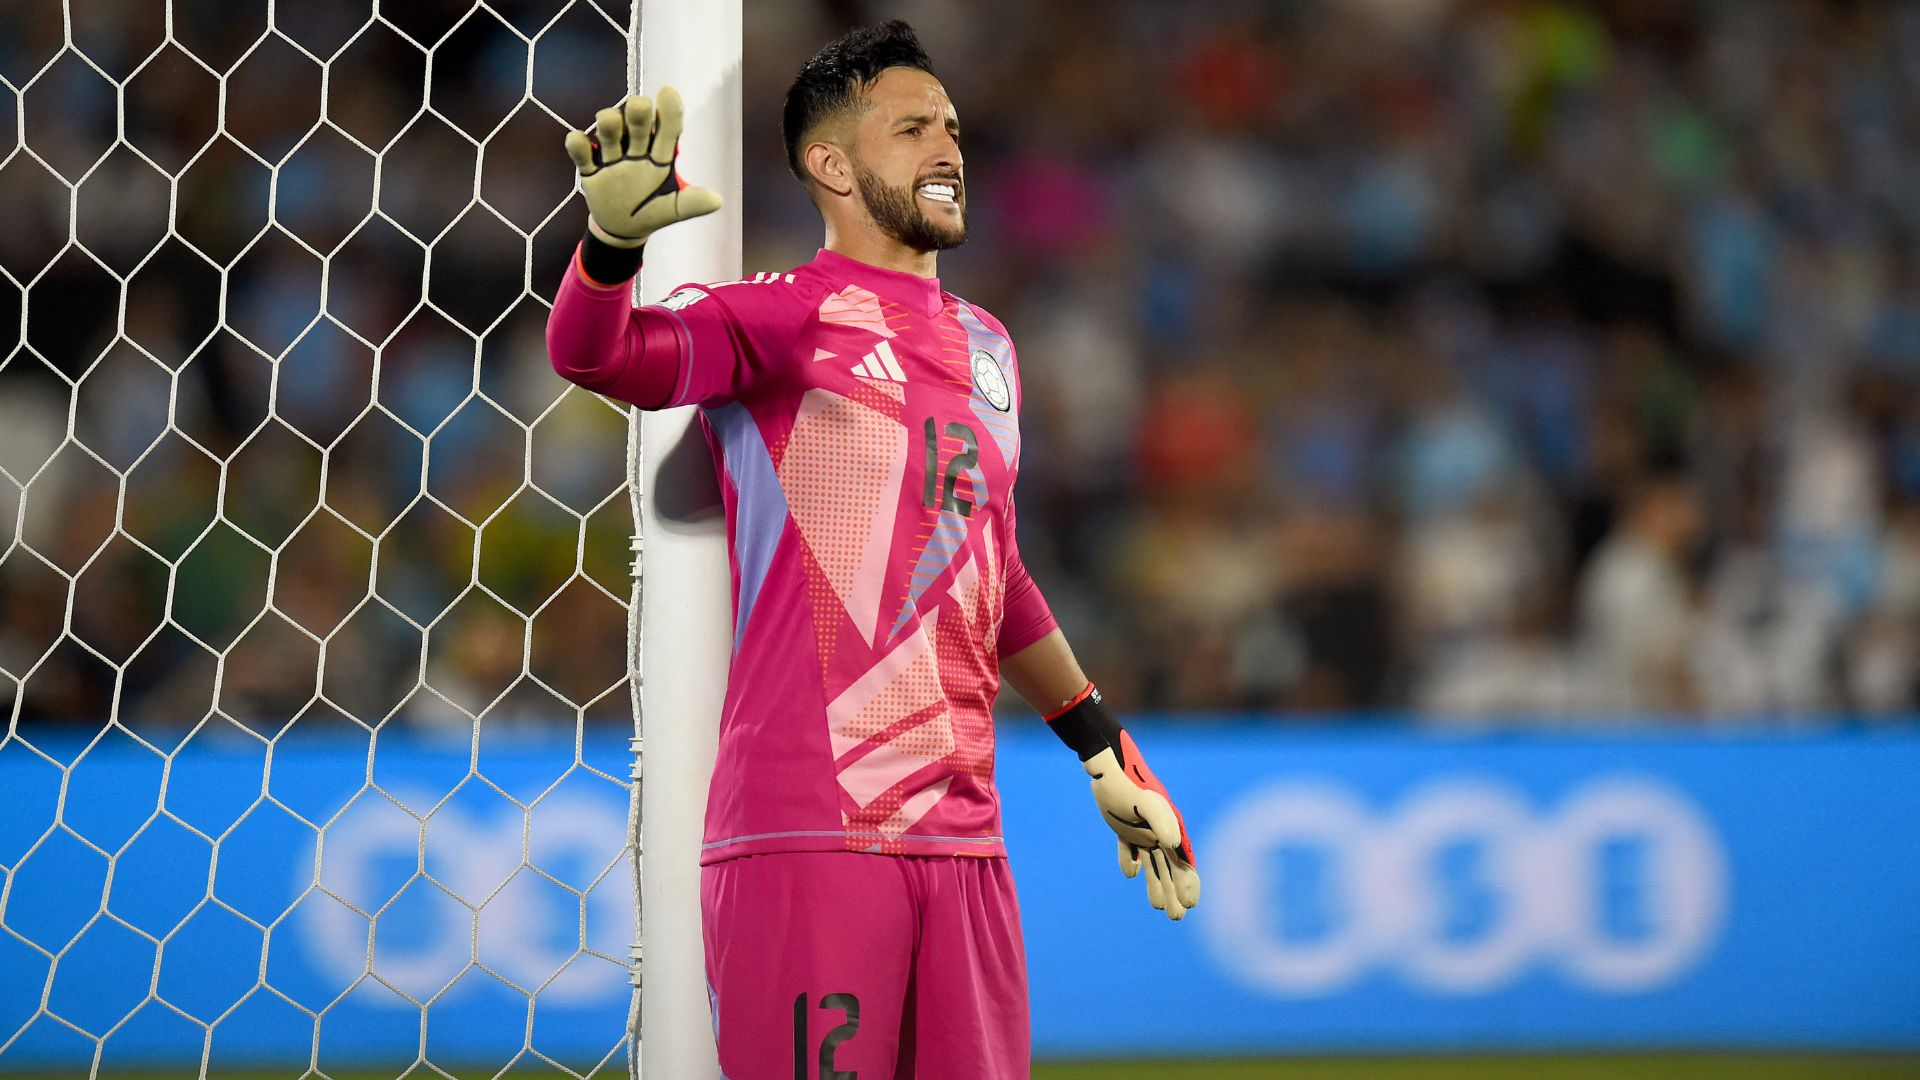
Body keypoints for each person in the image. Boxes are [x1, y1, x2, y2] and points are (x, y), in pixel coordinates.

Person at [545, 21, 1198, 1078]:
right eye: (911, 129)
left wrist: (1101, 745)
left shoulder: (990, 345)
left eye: (950, 127)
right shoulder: (780, 318)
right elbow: (600, 355)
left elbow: (995, 572)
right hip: (813, 830)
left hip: (967, 838)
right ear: (832, 164)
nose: (947, 149)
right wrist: (609, 251)